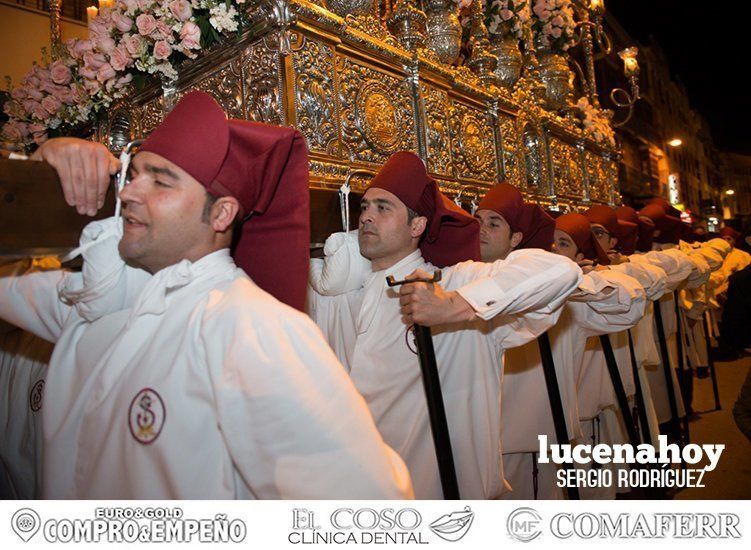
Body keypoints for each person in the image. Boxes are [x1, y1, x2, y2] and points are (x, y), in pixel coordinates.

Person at [0, 91, 413, 499]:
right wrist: (32, 167)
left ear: (221, 214)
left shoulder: (249, 329)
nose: (128, 194)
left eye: (161, 182)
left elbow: (370, 504)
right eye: (134, 175)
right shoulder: (95, 300)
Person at [309, 156, 582, 499]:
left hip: (441, 496)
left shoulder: (453, 281)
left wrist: (454, 306)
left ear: (417, 225)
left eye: (383, 207)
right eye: (364, 206)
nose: (366, 216)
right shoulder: (340, 295)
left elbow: (560, 272)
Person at [476, 192, 646, 499]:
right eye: (477, 220)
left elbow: (630, 303)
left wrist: (573, 285)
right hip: (479, 442)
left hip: (532, 442)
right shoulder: (467, 283)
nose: (481, 229)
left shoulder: (567, 297)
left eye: (493, 223)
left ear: (516, 238)